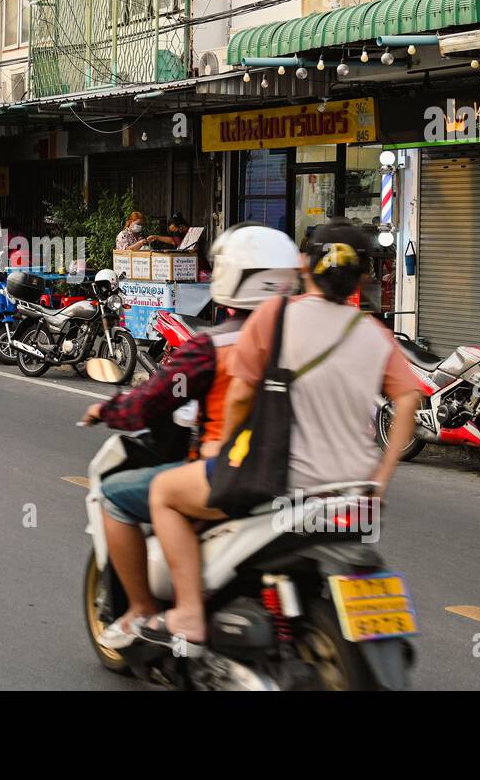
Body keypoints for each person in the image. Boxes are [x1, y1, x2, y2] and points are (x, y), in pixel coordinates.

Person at [137, 223, 422, 650]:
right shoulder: (375, 335)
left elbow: (239, 396)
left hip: (281, 483)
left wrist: (226, 448)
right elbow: (409, 398)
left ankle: (190, 615)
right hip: (354, 494)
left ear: (305, 265)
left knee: (163, 493)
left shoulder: (276, 316)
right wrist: (381, 478)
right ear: (362, 275)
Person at [80, 224, 301, 649]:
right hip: (309, 478)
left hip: (235, 474)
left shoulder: (212, 346)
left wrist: (106, 409)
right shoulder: (312, 341)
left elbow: (149, 402)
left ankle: (146, 609)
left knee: (115, 495)